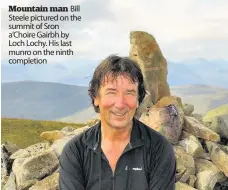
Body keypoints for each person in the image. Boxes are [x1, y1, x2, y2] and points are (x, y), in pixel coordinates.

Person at [59, 55, 176, 190]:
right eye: (111, 92)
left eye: (130, 93)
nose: (120, 104)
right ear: (96, 97)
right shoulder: (76, 152)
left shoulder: (158, 149)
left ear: (138, 100)